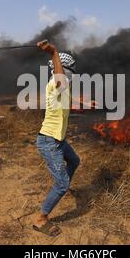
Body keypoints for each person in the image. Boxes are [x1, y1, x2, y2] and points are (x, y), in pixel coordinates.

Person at [32, 40, 81, 237]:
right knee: (61, 184)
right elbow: (59, 78)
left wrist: (88, 103)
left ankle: (61, 188)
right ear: (63, 69)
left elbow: (66, 102)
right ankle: (40, 219)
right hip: (49, 141)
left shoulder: (63, 88)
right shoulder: (56, 82)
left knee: (74, 161)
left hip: (58, 140)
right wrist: (54, 53)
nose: (72, 75)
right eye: (69, 71)